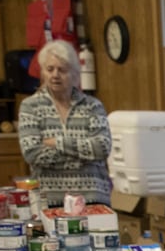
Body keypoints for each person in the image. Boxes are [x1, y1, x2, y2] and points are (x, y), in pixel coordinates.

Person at [18, 39, 111, 204]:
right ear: (43, 73)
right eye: (50, 69)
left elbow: (102, 147)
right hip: (48, 201)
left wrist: (57, 143)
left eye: (62, 70)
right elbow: (32, 153)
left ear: (75, 73)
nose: (55, 75)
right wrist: (84, 157)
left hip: (92, 199)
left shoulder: (92, 106)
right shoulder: (30, 106)